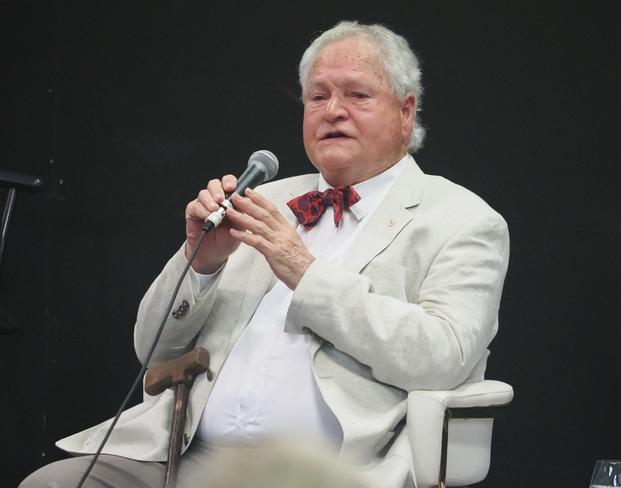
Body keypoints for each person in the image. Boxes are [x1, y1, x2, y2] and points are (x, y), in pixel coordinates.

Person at [20, 20, 509, 488]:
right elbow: (151, 351)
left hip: (331, 470)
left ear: (405, 112)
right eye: (318, 96)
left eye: (357, 95)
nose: (332, 110)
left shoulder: (462, 220)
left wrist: (305, 271)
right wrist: (202, 262)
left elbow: (443, 357)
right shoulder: (266, 200)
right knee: (53, 483)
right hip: (187, 456)